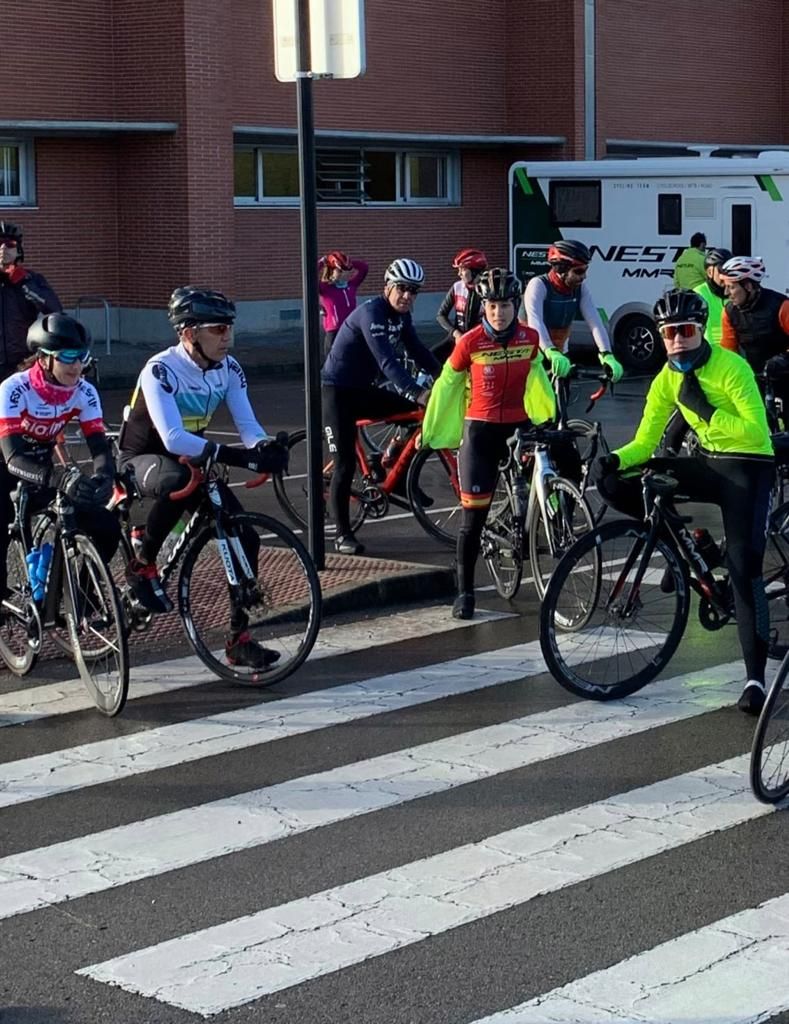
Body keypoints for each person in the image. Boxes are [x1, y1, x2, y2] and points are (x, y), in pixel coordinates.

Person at [591, 288, 775, 716]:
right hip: (709, 463)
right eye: (669, 333)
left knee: (745, 570)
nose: (677, 340)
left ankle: (754, 680)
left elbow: (756, 433)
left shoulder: (732, 368)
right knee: (621, 483)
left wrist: (704, 411)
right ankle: (688, 548)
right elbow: (646, 441)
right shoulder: (666, 378)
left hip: (749, 467)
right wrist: (615, 459)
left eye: (685, 331)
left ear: (698, 332)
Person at [118, 286, 289, 669]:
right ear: (189, 332)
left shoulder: (229, 369)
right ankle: (142, 564)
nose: (227, 336)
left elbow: (248, 427)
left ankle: (238, 639)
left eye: (229, 327)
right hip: (143, 457)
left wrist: (264, 449)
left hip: (191, 458)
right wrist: (231, 455)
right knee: (182, 477)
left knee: (243, 535)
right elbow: (172, 437)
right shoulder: (160, 370)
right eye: (217, 329)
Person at [421, 268, 556, 620]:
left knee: (554, 467)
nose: (500, 312)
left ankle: (543, 525)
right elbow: (447, 385)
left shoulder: (529, 338)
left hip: (518, 427)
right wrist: (433, 429)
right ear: (484, 308)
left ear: (515, 305)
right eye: (493, 306)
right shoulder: (470, 343)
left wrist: (548, 414)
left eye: (506, 305)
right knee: (473, 520)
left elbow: (538, 378)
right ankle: (464, 592)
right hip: (480, 432)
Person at [321, 258, 441, 556]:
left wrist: (449, 378)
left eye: (414, 291)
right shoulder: (372, 313)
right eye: (402, 289)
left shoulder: (402, 318)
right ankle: (342, 534)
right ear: (387, 287)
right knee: (346, 465)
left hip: (362, 390)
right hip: (336, 392)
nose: (407, 296)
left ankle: (394, 475)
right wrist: (417, 391)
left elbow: (419, 352)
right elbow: (387, 361)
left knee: (416, 417)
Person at [0, 313, 119, 599]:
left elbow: (99, 446)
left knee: (107, 526)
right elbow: (13, 458)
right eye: (67, 357)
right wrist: (59, 477)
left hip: (42, 473)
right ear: (44, 359)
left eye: (82, 356)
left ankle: (83, 597)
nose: (77, 365)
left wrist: (105, 476)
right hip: (6, 471)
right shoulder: (14, 389)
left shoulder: (84, 392)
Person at [522, 239, 624, 384]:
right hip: (532, 353)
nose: (584, 276)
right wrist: (550, 350)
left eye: (585, 270)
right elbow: (535, 321)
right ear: (561, 269)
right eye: (578, 271)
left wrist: (606, 353)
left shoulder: (580, 289)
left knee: (561, 401)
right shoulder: (538, 285)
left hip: (560, 353)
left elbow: (595, 323)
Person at [719, 255, 789, 428]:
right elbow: (728, 352)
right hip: (754, 378)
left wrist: (783, 360)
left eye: (731, 287)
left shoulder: (781, 306)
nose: (727, 293)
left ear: (749, 286)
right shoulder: (729, 312)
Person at [0, 220, 62, 382]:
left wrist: (25, 286)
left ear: (18, 250)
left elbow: (55, 311)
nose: (3, 249)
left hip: (21, 363)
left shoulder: (32, 279)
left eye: (9, 245)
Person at [433, 248, 488, 362]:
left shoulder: (488, 290)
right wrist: (455, 333)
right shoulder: (457, 287)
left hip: (479, 343)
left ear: (474, 270)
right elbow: (441, 315)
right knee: (427, 359)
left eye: (462, 269)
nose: (459, 274)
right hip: (457, 339)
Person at [318, 250, 369, 358]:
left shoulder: (351, 286)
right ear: (332, 271)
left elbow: (364, 268)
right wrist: (323, 263)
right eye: (340, 271)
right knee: (333, 364)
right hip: (334, 332)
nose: (344, 274)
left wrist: (349, 263)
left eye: (346, 271)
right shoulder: (325, 289)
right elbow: (309, 275)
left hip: (351, 329)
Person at [693, 247, 731, 345]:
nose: (725, 276)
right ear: (710, 272)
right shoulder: (699, 293)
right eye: (722, 271)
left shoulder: (735, 291)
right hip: (712, 351)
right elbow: (705, 332)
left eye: (729, 271)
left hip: (733, 350)